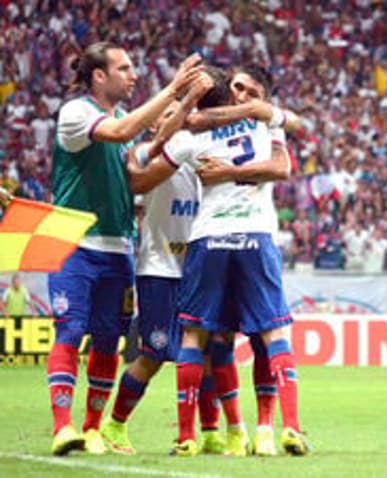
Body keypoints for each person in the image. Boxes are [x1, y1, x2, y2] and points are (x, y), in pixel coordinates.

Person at [100, 66, 290, 456]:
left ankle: (217, 431)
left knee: (216, 349)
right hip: (161, 267)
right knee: (153, 353)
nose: (169, 121)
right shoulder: (158, 152)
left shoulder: (211, 145)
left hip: (203, 262)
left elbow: (273, 160)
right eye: (166, 116)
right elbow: (136, 181)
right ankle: (115, 424)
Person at [45, 40, 202, 457]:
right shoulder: (78, 113)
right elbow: (120, 132)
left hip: (118, 248)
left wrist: (186, 101)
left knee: (107, 340)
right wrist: (172, 90)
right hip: (72, 240)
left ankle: (94, 429)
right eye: (125, 68)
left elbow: (138, 153)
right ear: (100, 76)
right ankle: (63, 427)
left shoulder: (124, 124)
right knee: (71, 329)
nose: (133, 74)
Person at [165, 64, 310, 457]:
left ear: (262, 95)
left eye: (249, 90)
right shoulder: (264, 125)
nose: (240, 94)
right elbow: (284, 157)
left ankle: (274, 430)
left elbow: (282, 166)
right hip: (246, 238)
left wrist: (227, 171)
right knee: (257, 336)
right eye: (236, 87)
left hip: (215, 239)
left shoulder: (209, 129)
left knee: (216, 336)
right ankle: (205, 433)